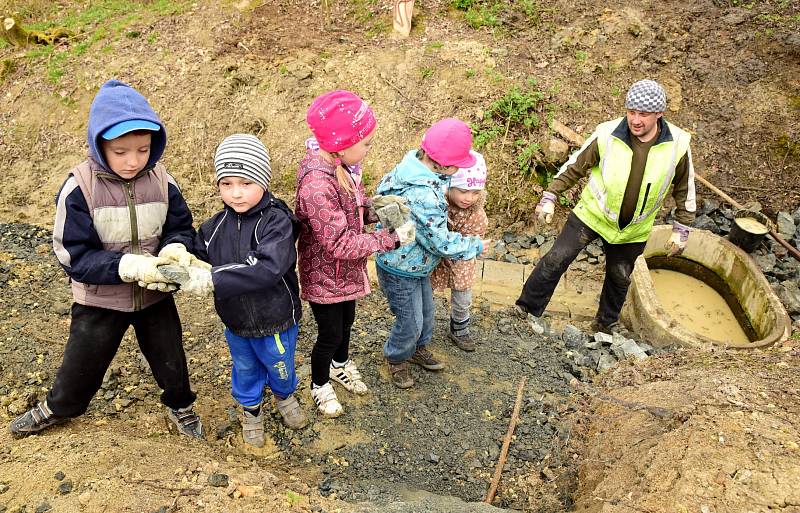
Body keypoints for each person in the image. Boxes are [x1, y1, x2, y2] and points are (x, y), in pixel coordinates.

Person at [9, 79, 203, 438]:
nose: (133, 161)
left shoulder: (162, 180)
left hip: (153, 294)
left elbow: (181, 226)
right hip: (99, 299)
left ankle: (181, 405)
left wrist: (176, 249)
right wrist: (127, 266)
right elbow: (73, 255)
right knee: (82, 363)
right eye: (121, 151)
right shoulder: (79, 187)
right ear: (100, 145)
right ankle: (59, 406)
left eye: (143, 150)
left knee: (171, 358)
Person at [160, 134, 307, 448]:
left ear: (264, 182)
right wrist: (177, 257)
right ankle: (251, 410)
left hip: (277, 318)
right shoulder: (213, 228)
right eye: (226, 184)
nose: (236, 193)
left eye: (246, 183)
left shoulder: (276, 223)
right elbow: (197, 256)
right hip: (236, 321)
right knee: (244, 367)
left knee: (280, 365)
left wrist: (212, 278)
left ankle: (285, 395)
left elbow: (267, 267)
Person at [516, 79, 696, 334]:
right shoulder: (607, 134)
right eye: (631, 112)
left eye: (643, 114)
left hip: (633, 229)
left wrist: (682, 228)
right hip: (593, 215)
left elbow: (685, 188)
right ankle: (525, 310)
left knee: (620, 276)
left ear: (659, 114)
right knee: (556, 258)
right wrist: (550, 195)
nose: (635, 120)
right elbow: (575, 166)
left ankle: (605, 324)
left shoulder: (677, 144)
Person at [375, 118, 490, 389]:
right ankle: (396, 357)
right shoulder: (423, 193)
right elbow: (438, 241)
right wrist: (472, 246)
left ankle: (417, 348)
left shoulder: (413, 168)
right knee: (411, 320)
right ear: (442, 164)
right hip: (399, 268)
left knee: (426, 314)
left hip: (415, 263)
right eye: (455, 167)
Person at [430, 151, 489, 352]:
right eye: (463, 191)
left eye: (475, 192)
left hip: (462, 260)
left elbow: (473, 242)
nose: (469, 198)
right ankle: (421, 326)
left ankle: (459, 328)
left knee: (463, 298)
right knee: (425, 292)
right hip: (434, 257)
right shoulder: (436, 204)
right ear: (450, 185)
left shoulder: (478, 216)